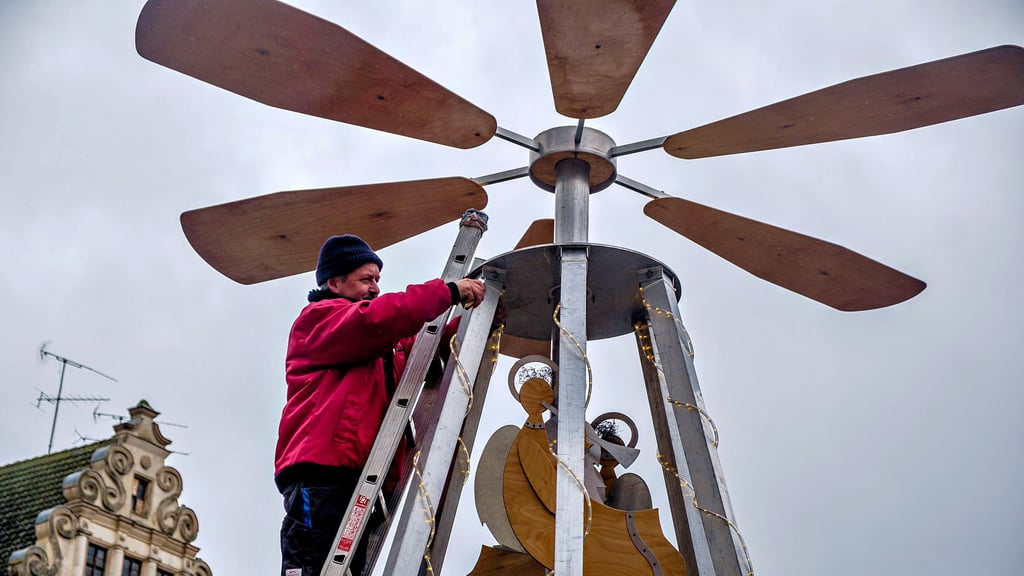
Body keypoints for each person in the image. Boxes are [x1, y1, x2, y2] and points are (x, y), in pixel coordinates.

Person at [275, 234, 485, 576]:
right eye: (365, 280)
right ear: (334, 282)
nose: (374, 288)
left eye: (377, 280)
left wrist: (476, 321)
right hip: (323, 473)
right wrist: (447, 292)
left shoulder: (383, 345)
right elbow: (376, 320)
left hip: (360, 476)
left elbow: (422, 349)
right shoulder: (319, 322)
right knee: (314, 564)